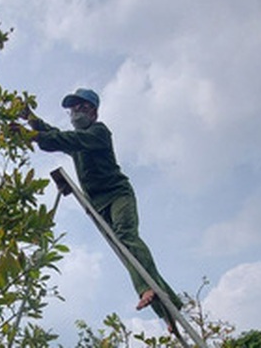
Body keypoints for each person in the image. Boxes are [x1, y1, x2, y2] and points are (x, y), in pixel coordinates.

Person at [17, 88, 182, 329]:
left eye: (82, 108)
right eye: (73, 109)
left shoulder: (98, 132)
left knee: (127, 237)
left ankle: (147, 289)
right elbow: (54, 133)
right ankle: (169, 308)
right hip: (96, 205)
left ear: (94, 112)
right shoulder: (76, 139)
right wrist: (30, 117)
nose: (76, 113)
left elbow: (66, 139)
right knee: (125, 252)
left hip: (117, 195)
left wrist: (30, 136)